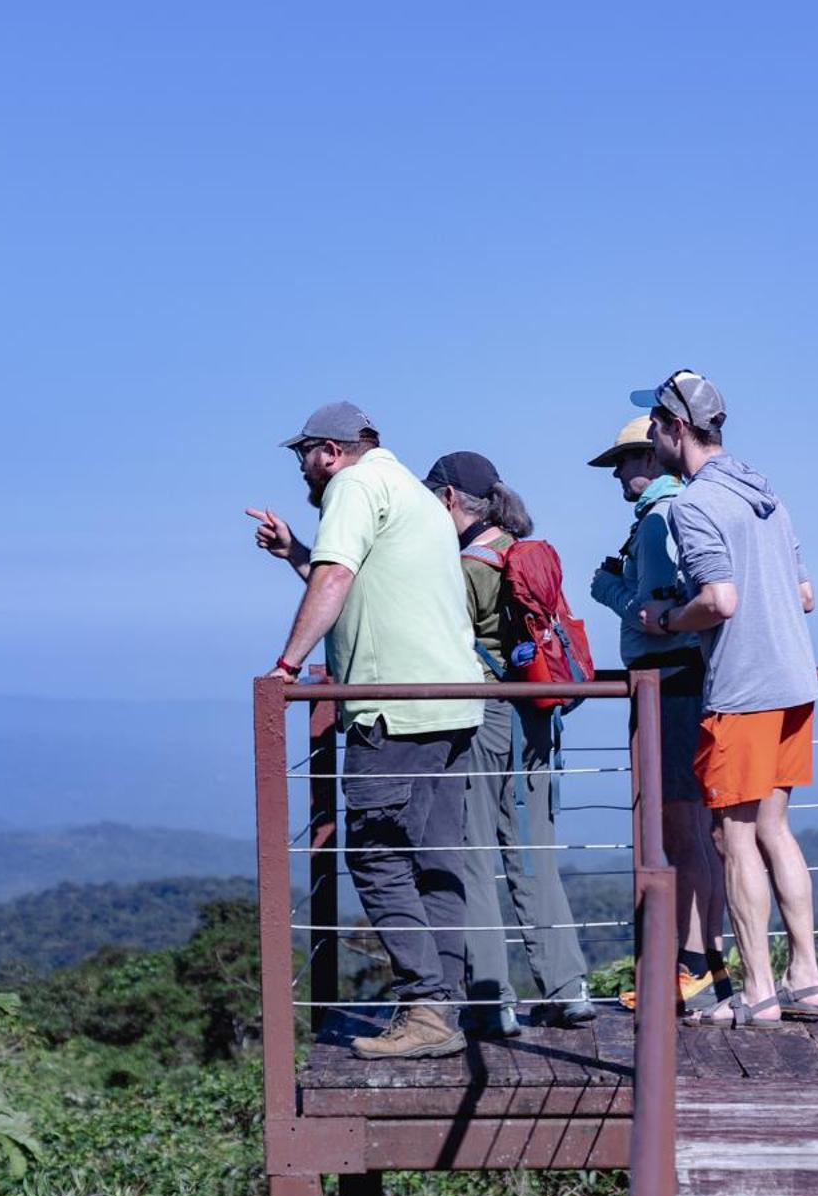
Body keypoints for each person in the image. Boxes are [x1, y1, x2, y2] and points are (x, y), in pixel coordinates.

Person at [248, 401, 486, 1059]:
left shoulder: (352, 486)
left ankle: (425, 1007)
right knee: (436, 859)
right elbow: (363, 591)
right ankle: (443, 1007)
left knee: (378, 857)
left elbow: (336, 577)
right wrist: (296, 549)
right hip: (451, 703)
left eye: (303, 455)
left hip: (394, 710)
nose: (303, 468)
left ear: (330, 450)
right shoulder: (409, 490)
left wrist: (286, 665)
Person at [634, 372, 818, 1029]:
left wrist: (662, 618)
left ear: (678, 429)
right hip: (795, 680)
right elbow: (804, 595)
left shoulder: (694, 506)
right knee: (775, 829)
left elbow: (719, 600)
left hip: (742, 687)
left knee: (733, 837)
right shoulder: (767, 494)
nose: (651, 435)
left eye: (655, 424)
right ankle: (807, 977)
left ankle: (760, 992)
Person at [421, 451, 594, 1031]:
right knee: (532, 854)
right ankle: (568, 988)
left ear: (449, 499)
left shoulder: (464, 567)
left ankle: (493, 1002)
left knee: (473, 855)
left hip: (485, 715)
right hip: (538, 718)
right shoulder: (523, 553)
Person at [586, 416, 730, 1017]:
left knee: (679, 830)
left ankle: (693, 967)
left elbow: (654, 608)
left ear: (650, 457)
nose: (617, 473)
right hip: (694, 681)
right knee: (704, 832)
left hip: (668, 685)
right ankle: (704, 960)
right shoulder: (692, 507)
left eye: (622, 460)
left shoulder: (656, 520)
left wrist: (606, 588)